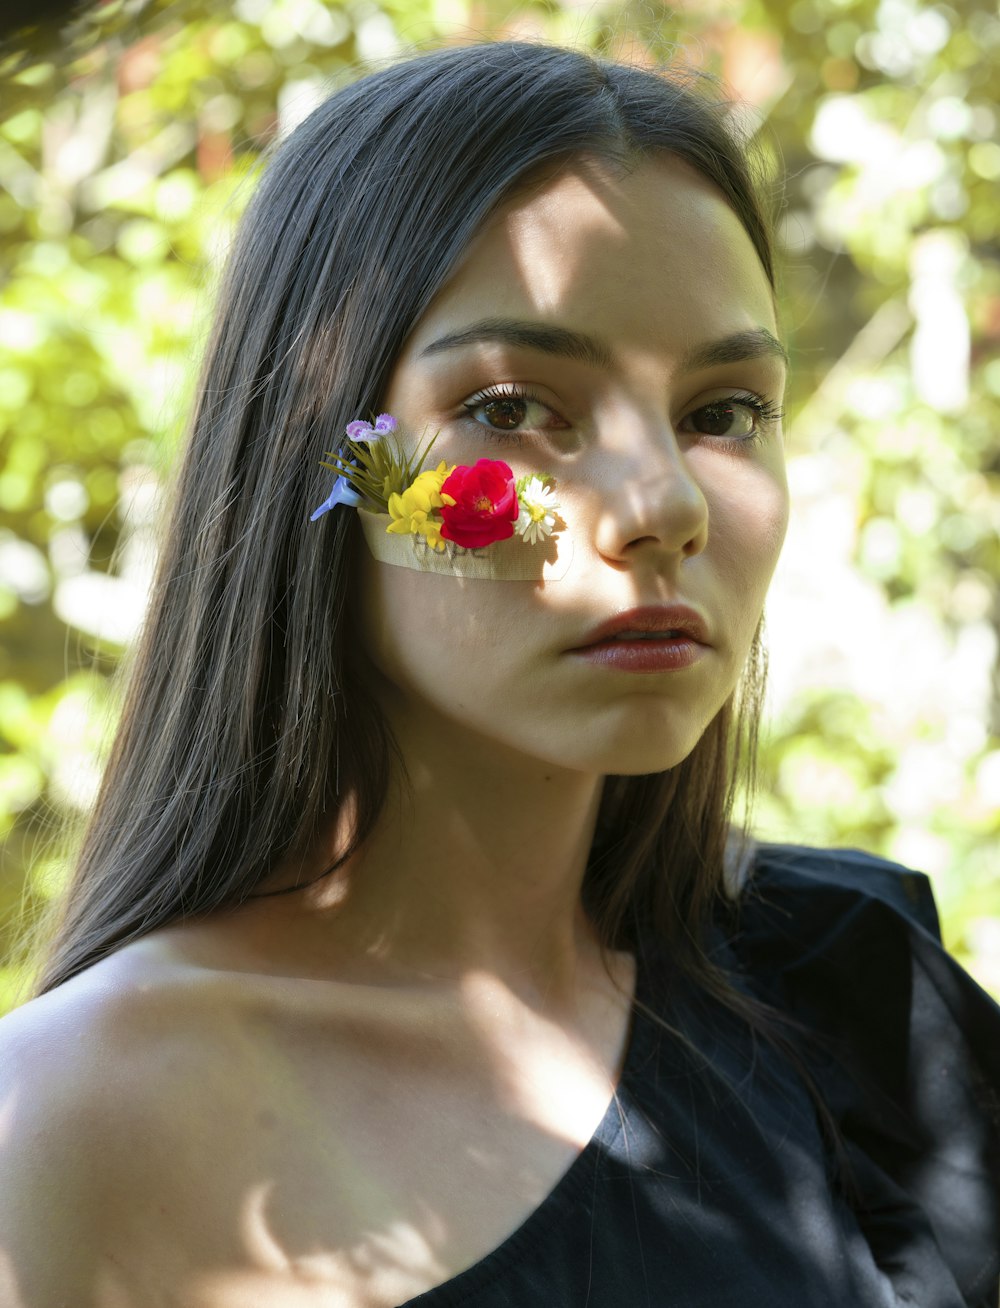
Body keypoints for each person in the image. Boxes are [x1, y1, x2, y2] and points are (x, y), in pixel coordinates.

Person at [1, 39, 997, 1308]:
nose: (664, 505)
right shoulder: (73, 1123)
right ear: (331, 459)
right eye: (516, 407)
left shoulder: (844, 985)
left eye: (725, 412)